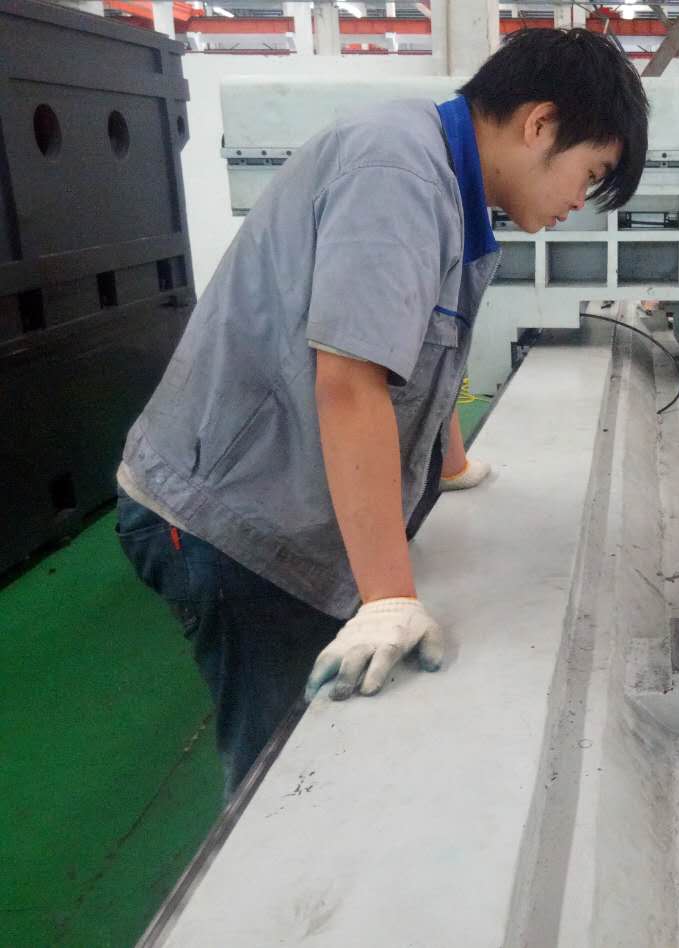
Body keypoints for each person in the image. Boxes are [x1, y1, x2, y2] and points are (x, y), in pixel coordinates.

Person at [115, 27, 649, 794]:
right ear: (540, 124)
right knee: (283, 775)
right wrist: (390, 598)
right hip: (228, 523)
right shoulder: (398, 170)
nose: (578, 203)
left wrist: (449, 464)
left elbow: (423, 346)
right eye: (588, 175)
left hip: (269, 497)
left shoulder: (447, 181)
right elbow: (350, 380)